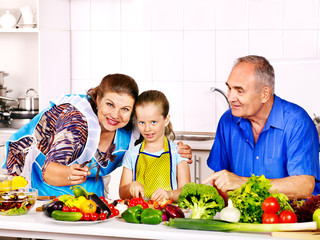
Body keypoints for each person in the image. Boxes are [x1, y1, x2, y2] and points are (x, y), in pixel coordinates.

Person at [2, 74, 192, 197]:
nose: (116, 115)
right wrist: (69, 173)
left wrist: (178, 150)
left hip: (88, 196)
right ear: (98, 99)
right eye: (110, 105)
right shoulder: (76, 123)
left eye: (125, 109)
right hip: (40, 188)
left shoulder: (133, 129)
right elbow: (49, 172)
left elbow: (156, 131)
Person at [204, 55, 320, 200]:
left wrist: (244, 183)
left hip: (294, 219)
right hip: (244, 219)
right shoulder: (227, 121)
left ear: (265, 94)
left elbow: (304, 186)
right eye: (229, 88)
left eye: (239, 91)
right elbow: (221, 182)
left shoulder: (297, 122)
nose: (231, 97)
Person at [119, 90, 191, 202]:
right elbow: (122, 193)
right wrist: (130, 187)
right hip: (139, 215)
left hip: (169, 217)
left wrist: (170, 194)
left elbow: (186, 192)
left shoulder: (178, 153)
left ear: (166, 119)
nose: (147, 129)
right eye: (142, 122)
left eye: (153, 122)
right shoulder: (132, 154)